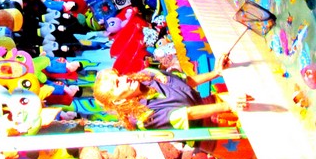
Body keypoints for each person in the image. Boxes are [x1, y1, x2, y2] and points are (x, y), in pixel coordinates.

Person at [92, 56, 242, 131]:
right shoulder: (142, 118)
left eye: (119, 76)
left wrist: (216, 73)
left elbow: (186, 82)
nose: (124, 78)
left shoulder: (148, 74)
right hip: (213, 129)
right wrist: (228, 106)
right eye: (118, 83)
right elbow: (188, 113)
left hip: (210, 104)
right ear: (118, 101)